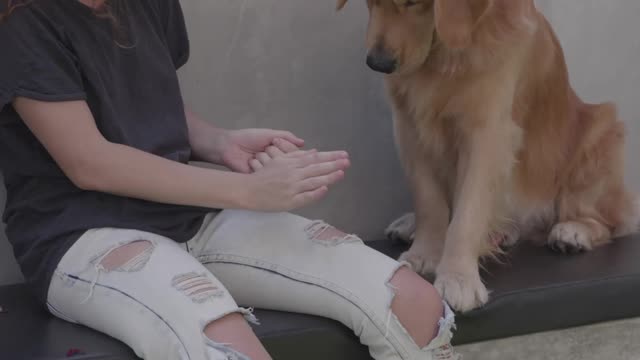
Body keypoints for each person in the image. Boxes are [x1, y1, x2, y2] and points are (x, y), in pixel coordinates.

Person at [0, 0, 459, 359]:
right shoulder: (21, 21)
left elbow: (151, 100)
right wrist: (247, 192)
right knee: (226, 349)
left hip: (186, 213)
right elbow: (89, 162)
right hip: (81, 238)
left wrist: (219, 143)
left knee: (413, 305)